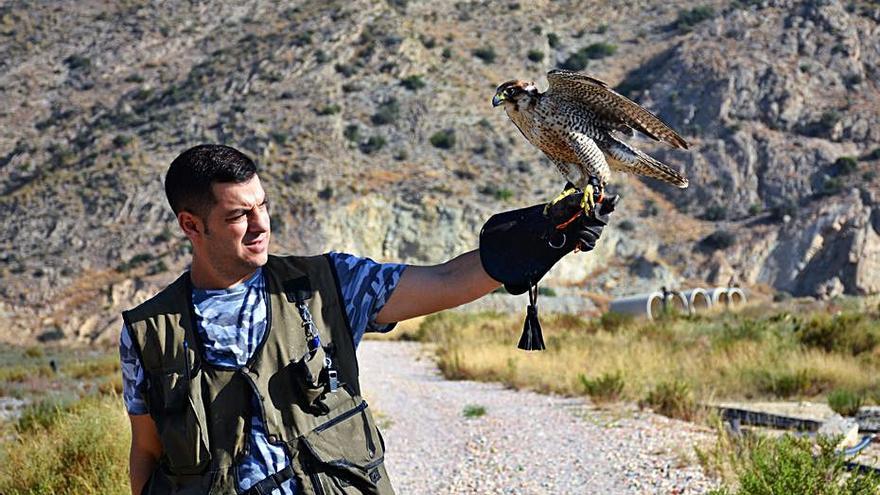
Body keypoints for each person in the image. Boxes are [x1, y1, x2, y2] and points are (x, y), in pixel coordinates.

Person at [120, 144, 615, 495]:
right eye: (237, 216)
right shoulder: (148, 332)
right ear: (191, 225)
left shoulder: (327, 284)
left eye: (263, 206)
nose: (261, 225)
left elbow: (446, 282)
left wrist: (541, 237)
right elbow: (147, 451)